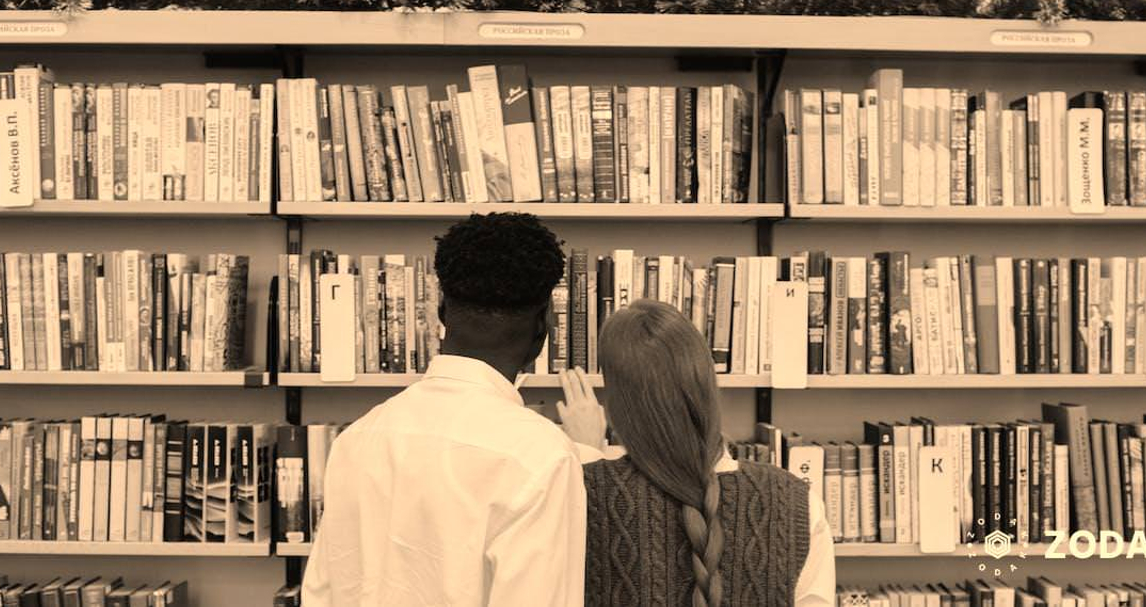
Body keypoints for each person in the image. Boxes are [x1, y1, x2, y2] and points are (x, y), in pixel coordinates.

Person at [303, 212, 586, 606]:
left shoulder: (357, 439)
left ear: (440, 309)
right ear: (544, 327)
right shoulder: (541, 457)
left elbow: (320, 595)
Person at [559, 299, 836, 607]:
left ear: (618, 407)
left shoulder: (583, 493)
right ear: (706, 385)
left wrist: (583, 456)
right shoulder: (796, 499)